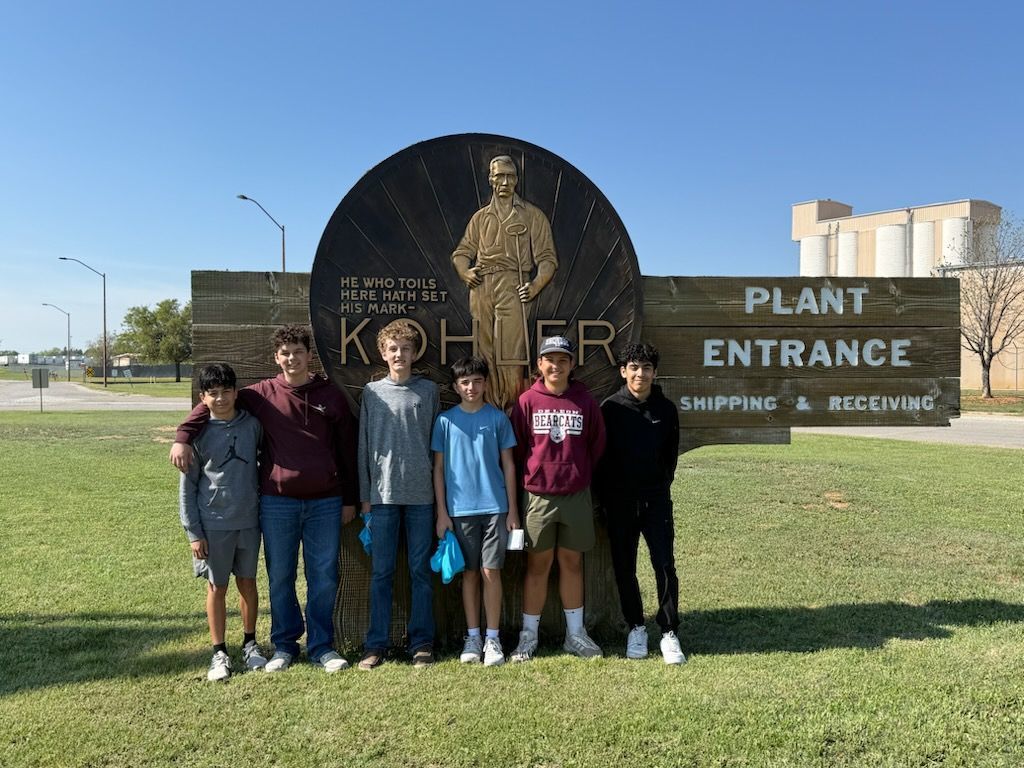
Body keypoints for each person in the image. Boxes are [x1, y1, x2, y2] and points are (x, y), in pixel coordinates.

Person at [170, 325, 357, 674]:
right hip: (277, 502)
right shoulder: (261, 394)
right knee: (280, 575)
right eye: (285, 352)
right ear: (276, 357)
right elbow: (214, 402)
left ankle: (322, 647)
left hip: (326, 502)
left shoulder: (330, 394)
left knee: (324, 575)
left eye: (297, 351)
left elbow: (347, 450)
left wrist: (350, 498)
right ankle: (285, 645)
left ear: (308, 355)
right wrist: (182, 436)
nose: (291, 358)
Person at [508, 336, 606, 662]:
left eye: (563, 360)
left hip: (576, 495)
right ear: (539, 364)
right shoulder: (526, 401)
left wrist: (576, 473)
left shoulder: (584, 401)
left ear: (571, 365)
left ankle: (575, 635)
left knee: (572, 563)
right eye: (549, 359)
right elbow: (520, 448)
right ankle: (528, 637)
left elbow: (595, 445)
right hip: (538, 497)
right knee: (537, 565)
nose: (556, 366)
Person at [357, 320, 440, 670]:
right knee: (382, 573)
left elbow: (439, 450)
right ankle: (376, 644)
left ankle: (421, 642)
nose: (399, 354)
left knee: (421, 572)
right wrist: (365, 497)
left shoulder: (430, 391)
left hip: (422, 497)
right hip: (382, 497)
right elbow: (362, 446)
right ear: (383, 353)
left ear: (414, 352)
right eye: (393, 348)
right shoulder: (371, 393)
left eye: (405, 348)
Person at [597, 343, 685, 664]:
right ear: (623, 372)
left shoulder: (666, 410)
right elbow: (601, 460)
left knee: (664, 564)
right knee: (624, 567)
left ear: (654, 373)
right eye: (634, 367)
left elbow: (670, 458)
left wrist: (658, 487)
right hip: (620, 502)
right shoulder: (610, 409)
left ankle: (668, 631)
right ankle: (636, 627)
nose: (640, 373)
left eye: (646, 367)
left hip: (656, 500)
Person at [179, 363, 267, 681]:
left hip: (248, 520)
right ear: (203, 397)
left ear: (235, 392)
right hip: (213, 524)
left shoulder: (253, 426)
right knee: (218, 586)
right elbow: (187, 487)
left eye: (226, 391)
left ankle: (250, 643)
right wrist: (193, 532)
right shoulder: (197, 436)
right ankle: (219, 652)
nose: (220, 398)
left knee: (247, 583)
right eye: (212, 393)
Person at [431, 356, 519, 667]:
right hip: (459, 511)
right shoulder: (445, 421)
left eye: (477, 381)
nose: (472, 387)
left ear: (486, 384)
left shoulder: (498, 420)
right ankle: (473, 636)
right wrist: (442, 513)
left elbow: (509, 465)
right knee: (468, 573)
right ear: (456, 386)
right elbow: (438, 469)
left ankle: (493, 638)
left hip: (496, 508)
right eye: (465, 382)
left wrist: (512, 511)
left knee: (490, 571)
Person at [452, 155, 558, 410]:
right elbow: (462, 252)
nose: (505, 182)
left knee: (510, 354)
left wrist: (536, 285)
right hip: (482, 286)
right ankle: (487, 408)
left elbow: (547, 259)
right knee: (483, 352)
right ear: (491, 179)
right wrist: (465, 272)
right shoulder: (480, 218)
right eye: (500, 176)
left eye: (510, 176)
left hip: (514, 283)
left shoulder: (533, 215)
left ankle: (512, 409)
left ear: (517, 181)